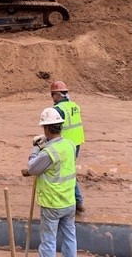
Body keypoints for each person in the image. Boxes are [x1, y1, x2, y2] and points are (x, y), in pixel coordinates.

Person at [24, 107, 77, 257]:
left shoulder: (49, 152)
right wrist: (46, 143)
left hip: (52, 203)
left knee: (48, 240)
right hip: (69, 201)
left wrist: (36, 148)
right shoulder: (70, 145)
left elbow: (33, 168)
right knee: (70, 237)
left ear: (46, 128)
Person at [50, 80, 86, 213]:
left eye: (53, 95)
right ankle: (74, 200)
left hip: (65, 145)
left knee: (65, 171)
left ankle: (77, 200)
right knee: (67, 169)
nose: (52, 98)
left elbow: (53, 128)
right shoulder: (75, 106)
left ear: (57, 95)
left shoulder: (58, 110)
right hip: (76, 143)